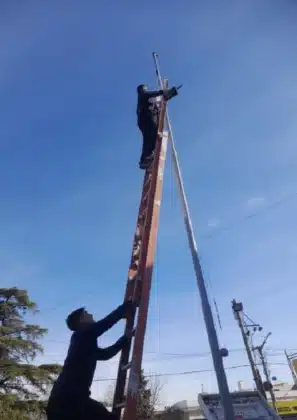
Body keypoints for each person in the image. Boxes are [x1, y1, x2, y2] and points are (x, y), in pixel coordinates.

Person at [46, 301, 136, 420]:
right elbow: (105, 324)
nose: (92, 315)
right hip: (68, 400)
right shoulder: (82, 334)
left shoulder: (83, 341)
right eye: (87, 313)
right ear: (82, 320)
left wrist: (124, 340)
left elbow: (105, 354)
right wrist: (124, 308)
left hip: (66, 400)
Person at [137, 84, 179, 169]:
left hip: (148, 120)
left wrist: (168, 94)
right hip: (146, 119)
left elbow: (159, 100)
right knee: (149, 137)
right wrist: (162, 92)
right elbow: (151, 95)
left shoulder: (149, 100)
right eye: (145, 88)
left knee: (151, 138)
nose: (146, 89)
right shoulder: (143, 95)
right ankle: (146, 158)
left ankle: (147, 158)